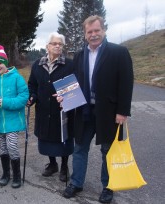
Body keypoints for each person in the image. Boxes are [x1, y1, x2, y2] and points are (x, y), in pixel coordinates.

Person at [62, 15, 134, 203]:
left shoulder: (119, 52)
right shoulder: (79, 55)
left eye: (96, 30)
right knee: (79, 148)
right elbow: (74, 82)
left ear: (103, 30)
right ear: (85, 34)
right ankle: (76, 183)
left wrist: (122, 111)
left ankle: (108, 187)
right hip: (84, 112)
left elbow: (126, 83)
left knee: (107, 151)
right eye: (89, 32)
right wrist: (64, 95)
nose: (93, 35)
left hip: (108, 112)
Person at [27, 32, 74, 182]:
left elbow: (75, 86)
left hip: (62, 110)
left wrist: (66, 97)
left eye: (60, 44)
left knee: (63, 138)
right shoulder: (37, 64)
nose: (58, 46)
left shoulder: (69, 64)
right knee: (46, 137)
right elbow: (32, 84)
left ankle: (64, 166)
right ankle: (53, 164)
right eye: (54, 43)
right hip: (43, 109)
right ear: (47, 46)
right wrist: (32, 97)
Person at [0, 45, 29, 188]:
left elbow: (23, 97)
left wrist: (6, 102)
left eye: (0, 63)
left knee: (12, 146)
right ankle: (5, 174)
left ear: (6, 63)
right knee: (3, 148)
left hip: (13, 121)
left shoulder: (16, 78)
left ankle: (16, 176)